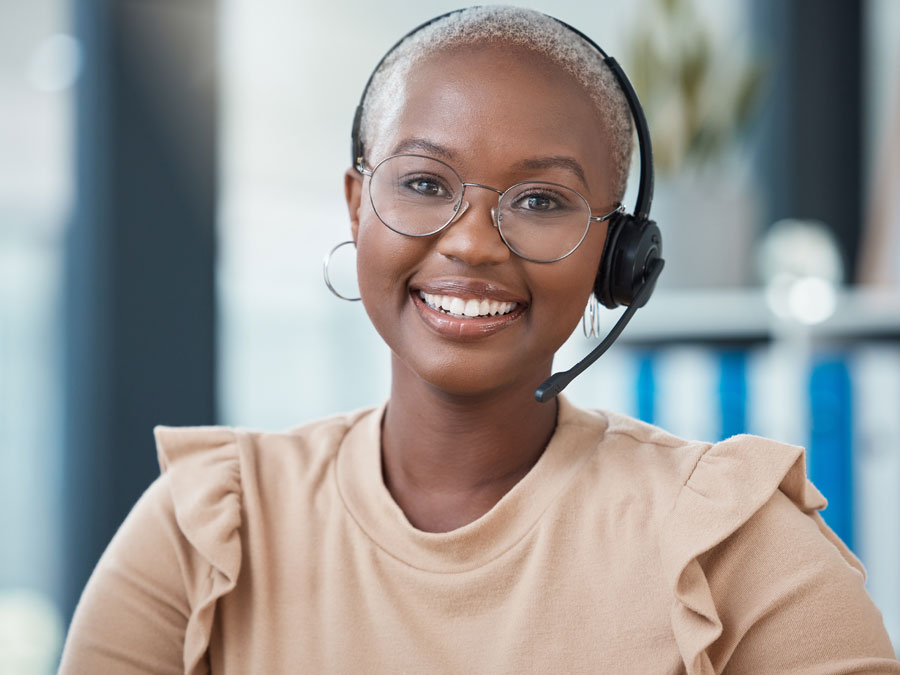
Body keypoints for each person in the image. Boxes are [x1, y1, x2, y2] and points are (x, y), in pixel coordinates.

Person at [60, 6, 899, 674]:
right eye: (425, 183)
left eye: (541, 200)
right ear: (357, 206)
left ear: (618, 257)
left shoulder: (731, 542)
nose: (472, 243)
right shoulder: (205, 529)